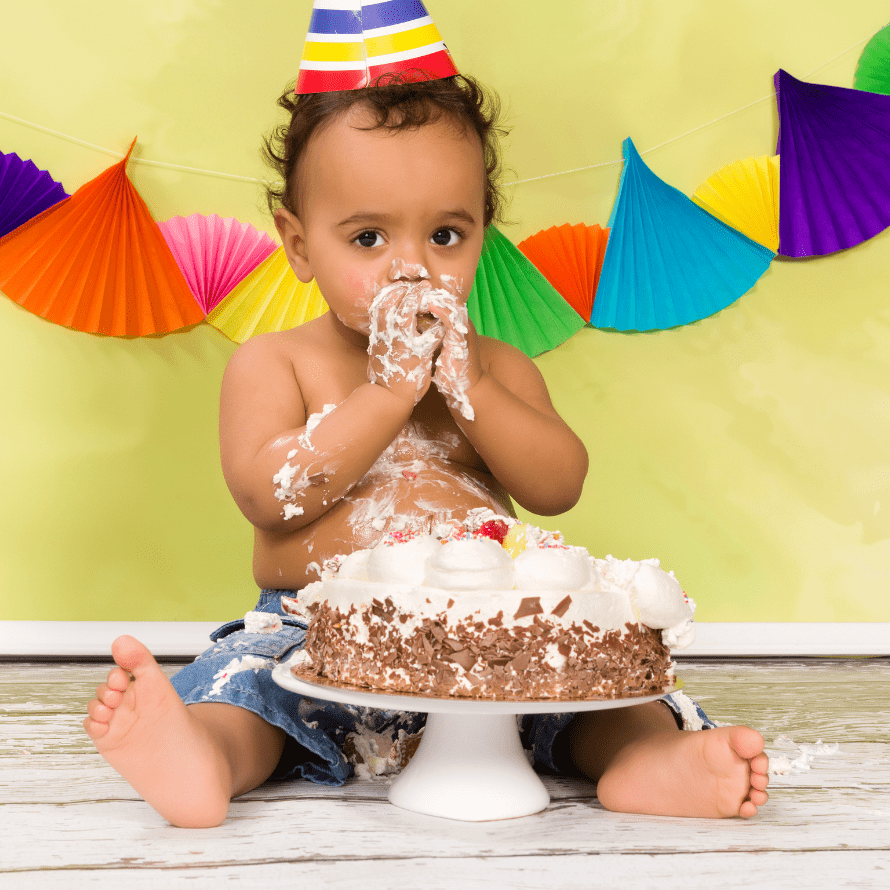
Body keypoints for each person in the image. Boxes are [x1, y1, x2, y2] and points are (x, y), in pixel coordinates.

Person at [83, 72, 769, 828]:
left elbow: (559, 484)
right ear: (299, 244)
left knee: (596, 701)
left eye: (446, 235)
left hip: (496, 634)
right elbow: (266, 491)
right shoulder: (277, 363)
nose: (411, 267)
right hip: (319, 631)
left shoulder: (497, 367)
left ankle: (649, 762)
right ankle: (203, 757)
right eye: (368, 237)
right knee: (252, 691)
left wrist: (469, 386)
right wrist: (385, 396)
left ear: (482, 233)